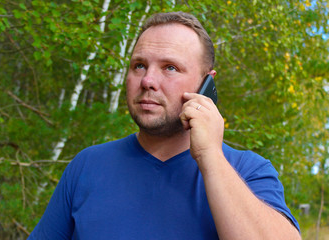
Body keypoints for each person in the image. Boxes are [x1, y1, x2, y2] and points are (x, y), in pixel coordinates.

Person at [29, 12, 301, 239]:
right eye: (139, 65)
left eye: (170, 67)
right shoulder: (87, 166)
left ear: (206, 84)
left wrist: (210, 158)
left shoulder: (249, 171)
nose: (147, 80)